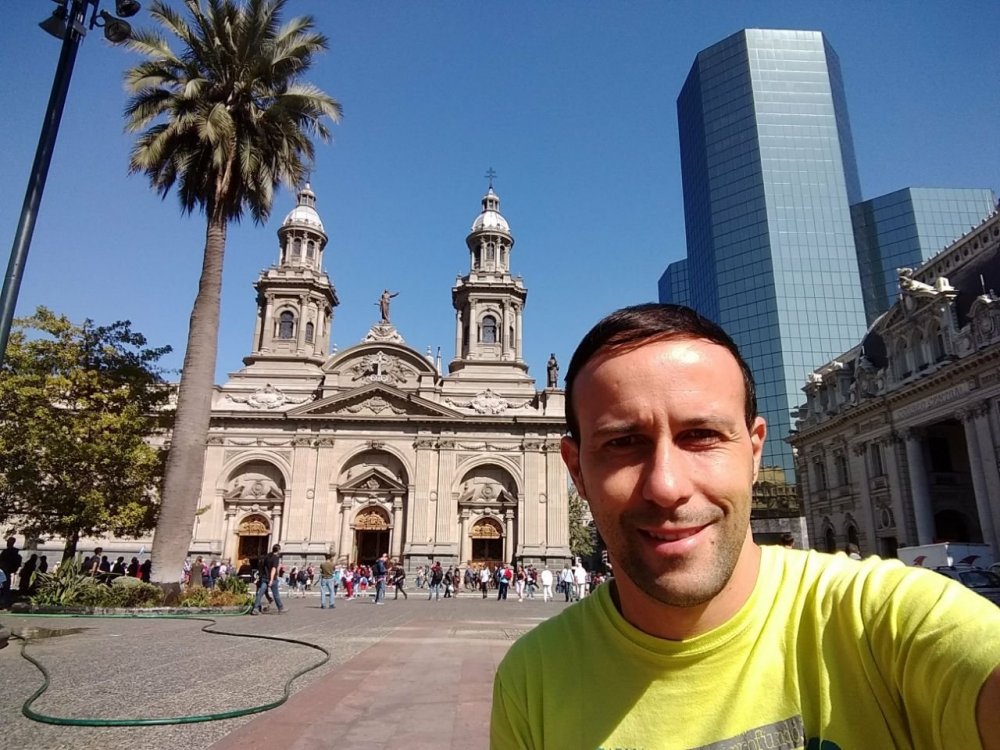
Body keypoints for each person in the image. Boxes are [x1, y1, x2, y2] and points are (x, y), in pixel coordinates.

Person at [491, 303, 1000, 749]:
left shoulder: (885, 620)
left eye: (702, 435)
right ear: (577, 469)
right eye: (623, 443)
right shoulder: (532, 679)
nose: (666, 486)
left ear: (755, 452)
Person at [251, 544, 285, 615]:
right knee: (276, 594)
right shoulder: (276, 558)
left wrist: (260, 576)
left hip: (264, 578)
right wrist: (271, 579)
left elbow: (262, 566)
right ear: (278, 550)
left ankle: (255, 608)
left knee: (260, 593)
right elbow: (273, 569)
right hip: (272, 579)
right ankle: (280, 608)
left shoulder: (267, 556)